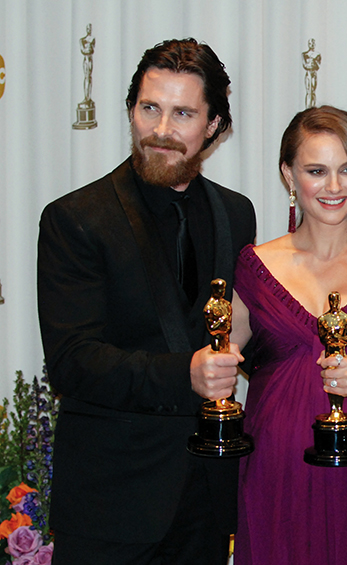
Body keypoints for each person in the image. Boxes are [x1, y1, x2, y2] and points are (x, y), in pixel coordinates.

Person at [37, 38, 256, 564]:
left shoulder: (237, 214)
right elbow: (72, 363)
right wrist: (186, 373)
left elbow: (245, 333)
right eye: (149, 108)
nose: (161, 129)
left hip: (206, 504)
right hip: (109, 507)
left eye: (183, 113)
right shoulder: (76, 219)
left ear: (214, 127)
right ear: (131, 110)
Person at [229, 105, 347, 564]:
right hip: (272, 476)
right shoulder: (255, 266)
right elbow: (218, 360)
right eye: (317, 171)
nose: (334, 187)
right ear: (289, 176)